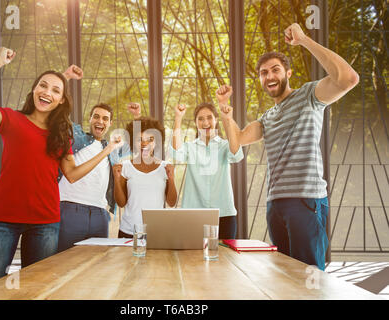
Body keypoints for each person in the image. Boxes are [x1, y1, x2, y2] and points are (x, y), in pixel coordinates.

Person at [0, 48, 122, 289]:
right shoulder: (11, 119)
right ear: (34, 90)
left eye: (55, 90)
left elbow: (72, 174)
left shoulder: (61, 135)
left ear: (61, 100)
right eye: (42, 85)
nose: (47, 91)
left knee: (38, 291)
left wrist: (107, 151)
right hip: (1, 219)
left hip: (45, 223)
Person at [219, 23, 359, 270]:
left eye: (275, 70)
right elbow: (237, 141)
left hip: (305, 201)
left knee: (310, 277)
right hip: (276, 205)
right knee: (285, 279)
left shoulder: (308, 96)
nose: (269, 76)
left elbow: (348, 79)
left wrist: (304, 39)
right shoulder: (268, 116)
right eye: (263, 72)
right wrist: (225, 113)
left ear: (288, 73)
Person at [57, 64, 141, 251]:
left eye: (105, 119)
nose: (100, 121)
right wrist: (66, 77)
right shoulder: (77, 135)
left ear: (110, 123)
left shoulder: (112, 148)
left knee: (96, 267)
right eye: (96, 117)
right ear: (90, 119)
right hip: (71, 208)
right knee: (64, 264)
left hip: (100, 214)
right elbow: (59, 113)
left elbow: (136, 144)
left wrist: (137, 117)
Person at [169, 95, 244, 239]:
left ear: (216, 120)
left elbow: (236, 154)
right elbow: (176, 152)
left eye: (209, 118)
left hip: (224, 215)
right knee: (192, 259)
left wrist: (228, 119)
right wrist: (178, 118)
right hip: (193, 214)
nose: (205, 122)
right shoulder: (190, 147)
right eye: (200, 119)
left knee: (224, 259)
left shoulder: (224, 146)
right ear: (196, 122)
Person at [113, 116, 178, 238]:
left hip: (157, 231)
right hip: (128, 231)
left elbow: (171, 202)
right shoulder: (125, 167)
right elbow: (121, 203)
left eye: (150, 139)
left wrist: (172, 178)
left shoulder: (165, 167)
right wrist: (116, 179)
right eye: (140, 140)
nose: (145, 144)